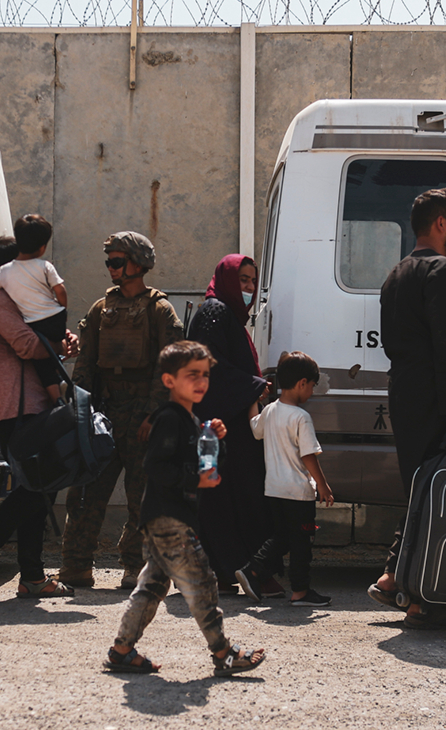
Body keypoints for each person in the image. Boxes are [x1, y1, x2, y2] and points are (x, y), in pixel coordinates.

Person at [103, 340, 266, 677]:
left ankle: (122, 650)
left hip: (169, 516)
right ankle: (223, 652)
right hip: (168, 517)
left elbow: (207, 467)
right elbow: (156, 467)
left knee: (152, 586)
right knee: (203, 582)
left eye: (205, 375)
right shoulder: (169, 418)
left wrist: (216, 440)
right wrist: (195, 480)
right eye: (192, 375)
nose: (201, 381)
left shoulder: (192, 421)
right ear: (168, 381)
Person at [368, 188, 446, 630]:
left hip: (407, 393)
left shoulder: (396, 274)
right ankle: (422, 595)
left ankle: (397, 577)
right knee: (441, 494)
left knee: (422, 489)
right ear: (439, 224)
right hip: (438, 399)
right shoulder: (440, 271)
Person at [59, 232, 182, 591]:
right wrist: (80, 408)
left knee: (141, 495)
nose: (111, 268)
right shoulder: (102, 309)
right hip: (105, 411)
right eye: (108, 261)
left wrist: (154, 413)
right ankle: (76, 565)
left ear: (139, 264)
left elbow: (169, 367)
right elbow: (86, 363)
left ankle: (136, 566)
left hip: (144, 411)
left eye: (117, 261)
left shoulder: (160, 310)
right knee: (86, 489)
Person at [0, 237, 78, 600]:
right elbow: (26, 344)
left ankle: (33, 576)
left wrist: (65, 342)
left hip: (35, 406)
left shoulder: (19, 299)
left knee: (40, 488)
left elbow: (43, 338)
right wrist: (57, 346)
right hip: (15, 407)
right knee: (34, 487)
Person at [187, 254, 280, 597]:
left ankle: (223, 572)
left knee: (224, 498)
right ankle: (247, 569)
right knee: (236, 496)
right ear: (227, 279)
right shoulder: (215, 312)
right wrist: (254, 386)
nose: (249, 288)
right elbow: (209, 366)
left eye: (252, 281)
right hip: (220, 424)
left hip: (227, 420)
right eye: (242, 280)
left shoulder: (226, 315)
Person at [234, 351, 334, 607]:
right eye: (312, 386)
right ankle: (300, 591)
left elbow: (254, 429)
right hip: (298, 493)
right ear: (302, 383)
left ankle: (253, 568)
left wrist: (253, 400)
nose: (312, 391)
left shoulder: (270, 411)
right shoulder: (301, 417)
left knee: (282, 537)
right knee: (303, 542)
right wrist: (322, 485)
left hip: (274, 491)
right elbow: (309, 455)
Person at [0, 214, 67, 402]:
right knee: (47, 359)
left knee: (43, 364)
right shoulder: (45, 266)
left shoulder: (5, 274)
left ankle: (56, 398)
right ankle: (59, 389)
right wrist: (62, 309)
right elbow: (60, 290)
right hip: (56, 317)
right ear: (42, 247)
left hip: (38, 323)